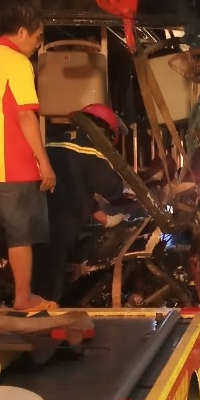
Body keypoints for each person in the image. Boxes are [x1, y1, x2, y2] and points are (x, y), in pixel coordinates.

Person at [0, 4, 56, 313]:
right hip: (13, 164)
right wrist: (44, 162)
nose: (37, 44)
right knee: (20, 233)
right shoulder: (18, 62)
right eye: (37, 37)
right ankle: (23, 297)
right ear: (22, 32)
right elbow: (25, 116)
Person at [32, 104, 129, 304]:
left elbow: (75, 186)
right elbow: (112, 190)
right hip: (60, 225)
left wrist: (105, 219)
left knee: (39, 273)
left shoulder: (54, 142)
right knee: (49, 289)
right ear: (107, 131)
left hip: (37, 217)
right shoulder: (90, 149)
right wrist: (130, 202)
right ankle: (44, 317)